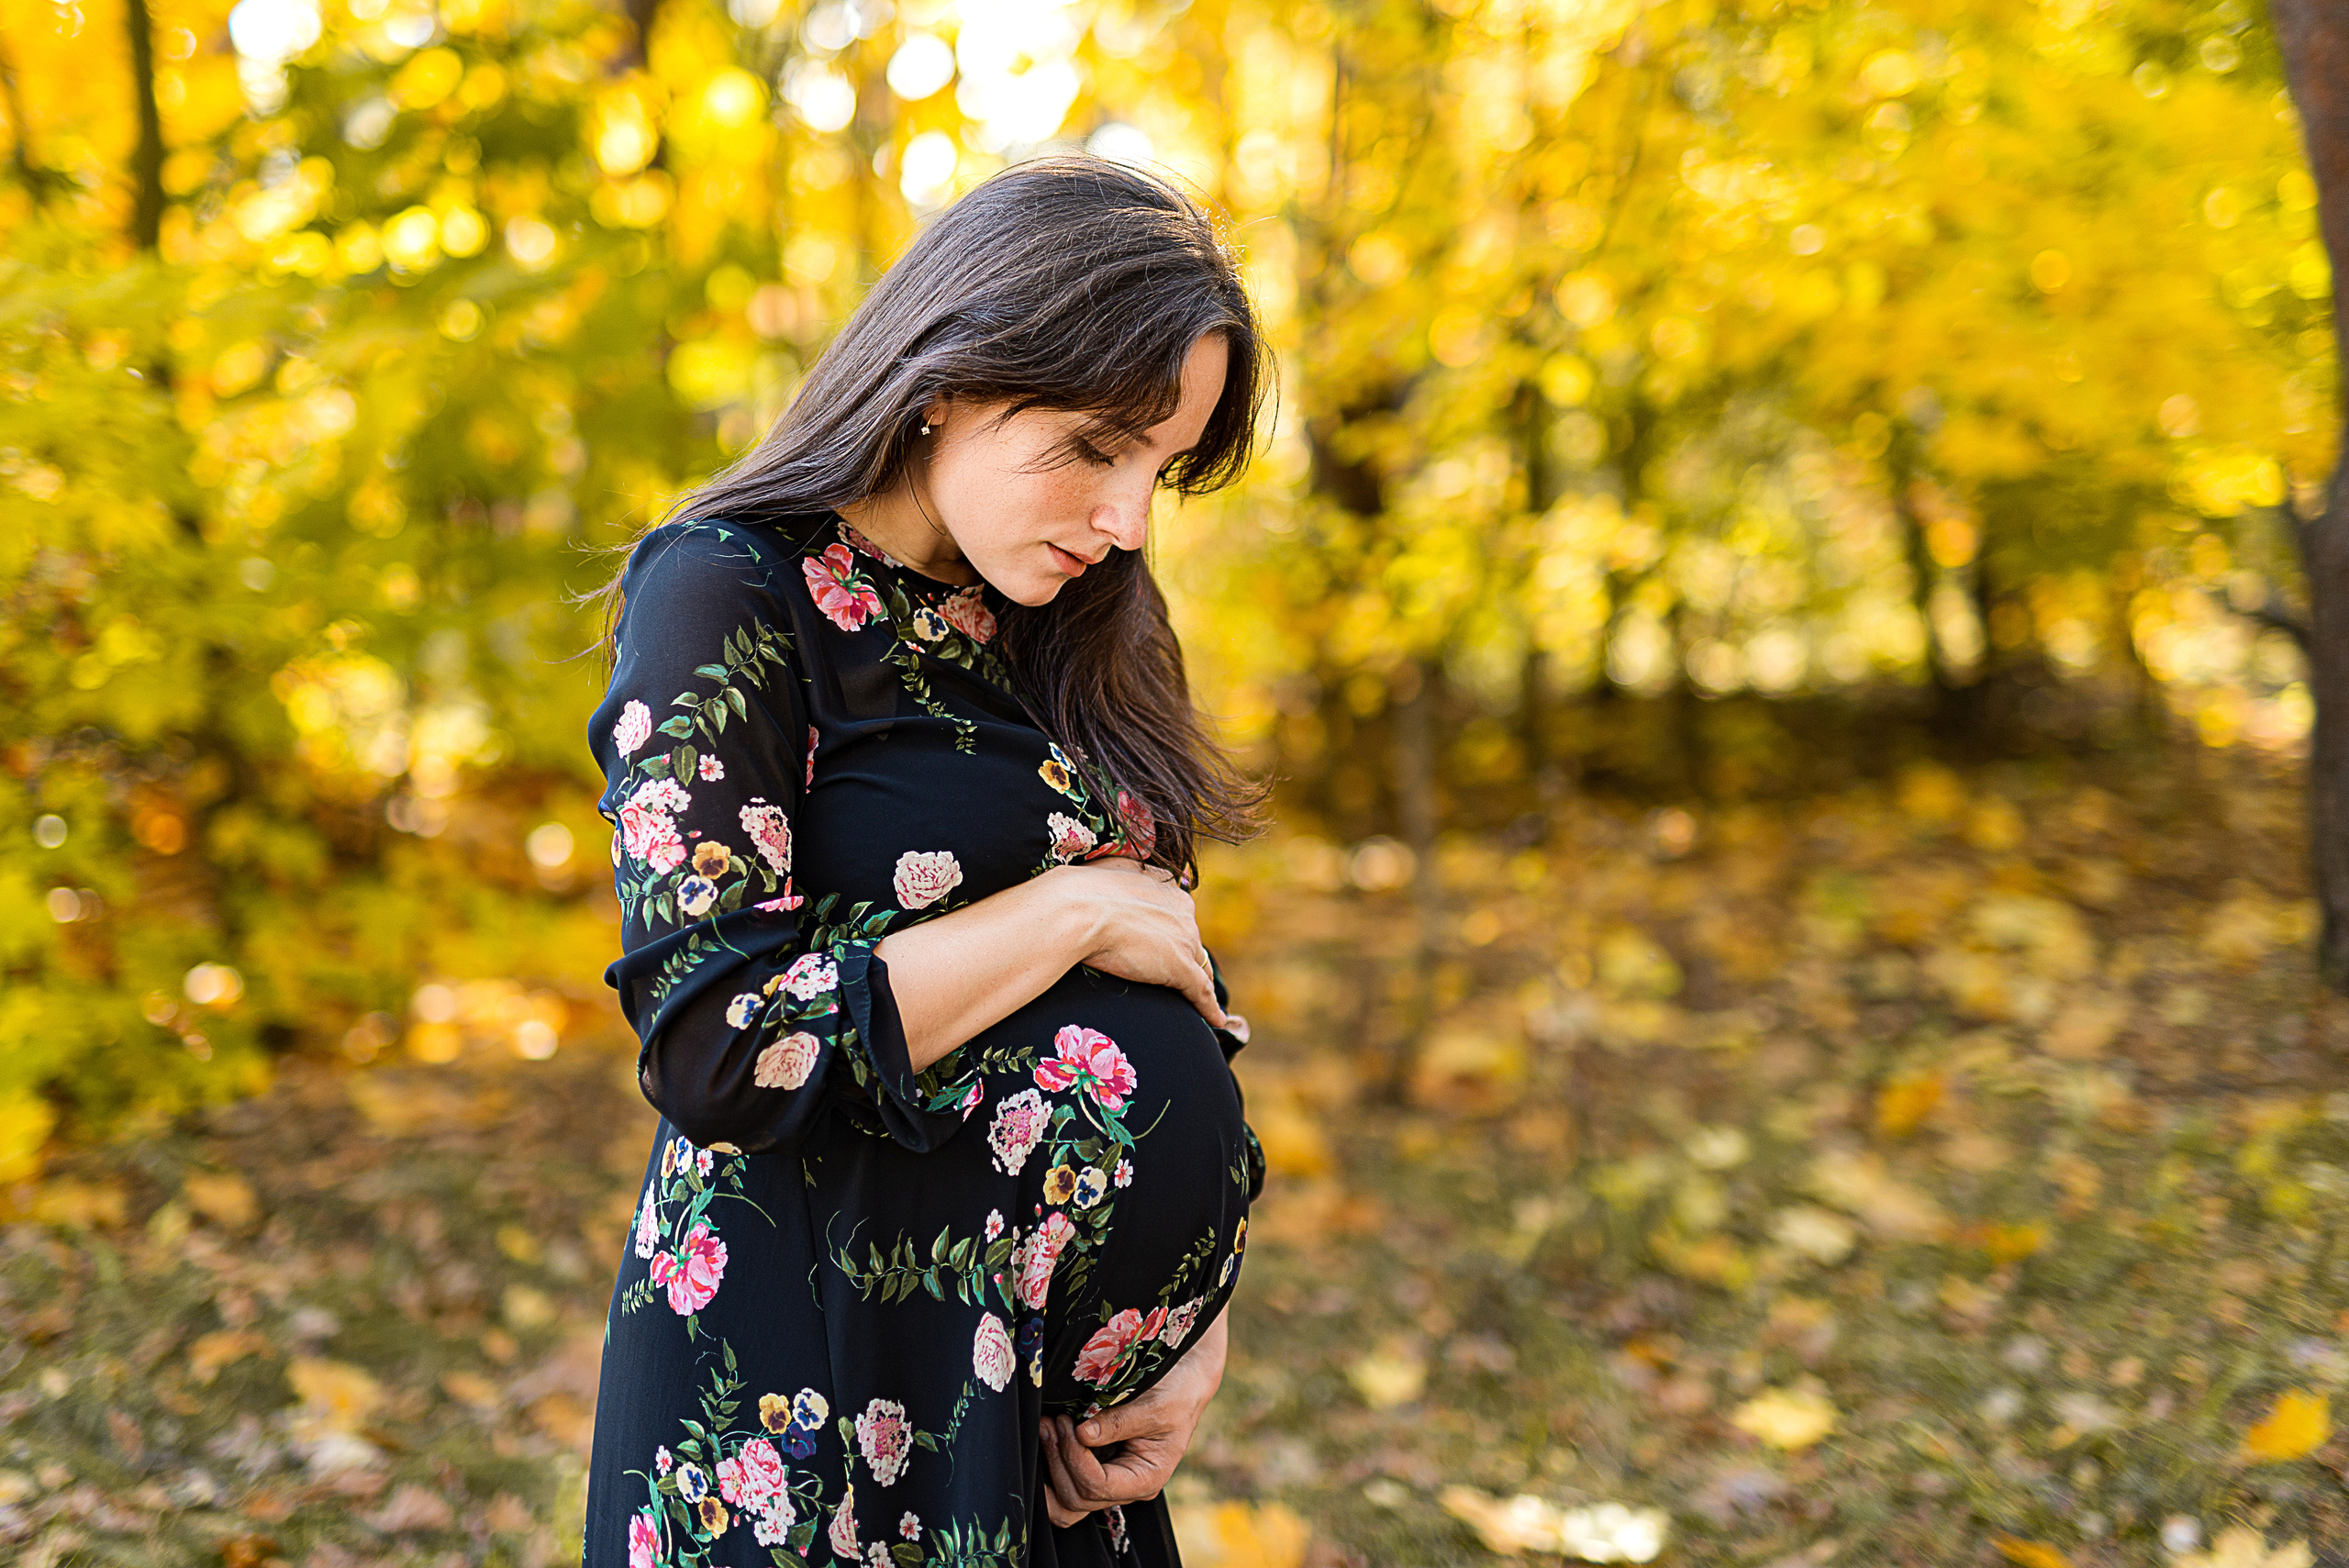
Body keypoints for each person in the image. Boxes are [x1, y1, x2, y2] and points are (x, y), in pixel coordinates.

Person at [580, 154, 1272, 1568]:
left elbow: (1176, 987)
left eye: (1162, 467)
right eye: (1096, 446)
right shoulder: (728, 586)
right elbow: (714, 1044)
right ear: (946, 378)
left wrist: (1194, 1339)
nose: (1129, 519)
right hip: (815, 1387)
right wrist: (1069, 910)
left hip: (1058, 1438)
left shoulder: (1085, 619)